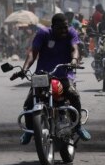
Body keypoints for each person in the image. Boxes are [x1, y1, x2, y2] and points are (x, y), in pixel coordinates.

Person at [18, 13, 90, 144]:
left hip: (64, 74)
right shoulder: (43, 33)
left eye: (65, 27)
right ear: (53, 27)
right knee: (29, 103)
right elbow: (32, 53)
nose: (63, 31)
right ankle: (29, 130)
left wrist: (74, 60)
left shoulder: (71, 33)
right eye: (60, 28)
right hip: (42, 74)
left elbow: (75, 49)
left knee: (73, 95)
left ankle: (78, 126)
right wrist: (24, 69)